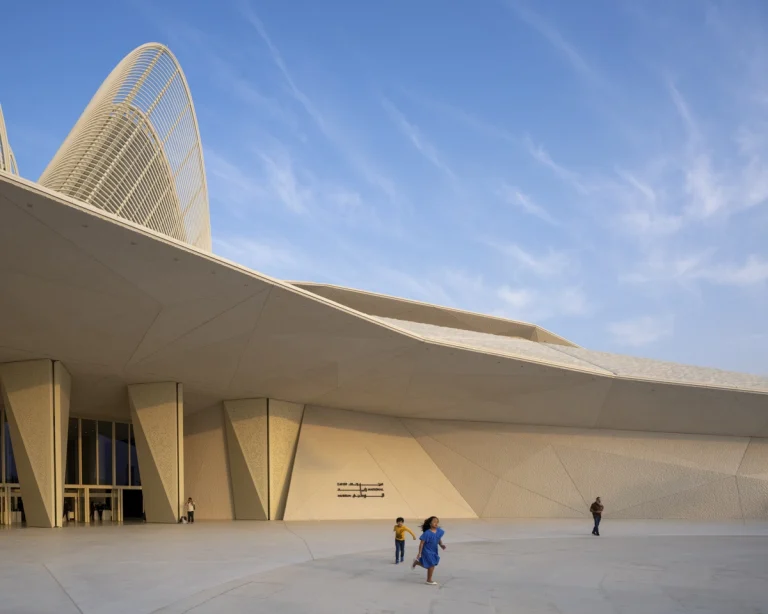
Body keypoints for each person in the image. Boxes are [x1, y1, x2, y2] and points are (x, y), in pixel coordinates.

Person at [411, 516, 446, 585]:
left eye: (437, 522)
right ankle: (429, 580)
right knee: (431, 565)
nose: (436, 523)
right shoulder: (427, 533)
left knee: (430, 564)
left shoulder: (438, 531)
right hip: (426, 550)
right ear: (430, 523)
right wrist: (419, 553)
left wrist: (441, 545)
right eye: (434, 522)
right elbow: (421, 543)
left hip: (434, 550)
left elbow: (438, 538)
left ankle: (417, 563)